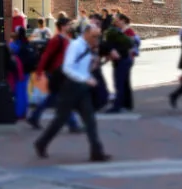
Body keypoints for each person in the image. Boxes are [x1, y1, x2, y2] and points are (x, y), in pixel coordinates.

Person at [34, 24, 110, 162]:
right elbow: (68, 68)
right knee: (60, 120)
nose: (96, 39)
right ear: (86, 34)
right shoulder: (75, 45)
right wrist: (85, 78)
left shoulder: (88, 47)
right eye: (94, 36)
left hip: (82, 90)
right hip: (70, 89)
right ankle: (41, 143)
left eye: (98, 36)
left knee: (90, 121)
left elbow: (81, 67)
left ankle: (96, 152)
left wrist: (91, 69)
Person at [27, 16, 80, 132]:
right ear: (62, 27)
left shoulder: (65, 39)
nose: (70, 27)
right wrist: (39, 71)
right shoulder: (57, 40)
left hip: (62, 73)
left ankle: (34, 117)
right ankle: (73, 124)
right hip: (56, 74)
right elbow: (46, 56)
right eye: (68, 25)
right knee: (65, 99)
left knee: (53, 99)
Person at [102, 17, 134, 113]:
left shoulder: (111, 34)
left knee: (119, 83)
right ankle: (127, 104)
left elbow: (109, 48)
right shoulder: (117, 32)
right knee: (125, 83)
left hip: (122, 60)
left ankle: (117, 106)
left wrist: (106, 57)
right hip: (126, 59)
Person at [10, 27, 37, 120]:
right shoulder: (26, 42)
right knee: (24, 91)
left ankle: (19, 113)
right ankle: (24, 111)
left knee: (19, 92)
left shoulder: (16, 44)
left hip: (20, 71)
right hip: (27, 70)